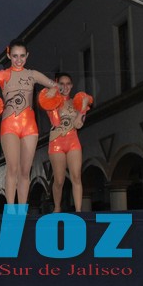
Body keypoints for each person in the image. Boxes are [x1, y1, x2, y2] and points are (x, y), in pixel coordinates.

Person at [0, 38, 59, 205]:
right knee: (12, 168)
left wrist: (53, 90)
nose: (18, 60)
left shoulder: (33, 74)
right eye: (15, 56)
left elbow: (56, 86)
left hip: (30, 127)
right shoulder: (2, 75)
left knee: (25, 171)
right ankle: (11, 209)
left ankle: (21, 209)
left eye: (22, 56)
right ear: (9, 55)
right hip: (9, 125)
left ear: (27, 55)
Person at [46, 72, 93, 212]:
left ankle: (78, 211)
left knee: (76, 177)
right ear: (57, 84)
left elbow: (78, 124)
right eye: (62, 84)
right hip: (56, 142)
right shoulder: (51, 100)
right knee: (59, 180)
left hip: (73, 141)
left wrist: (83, 106)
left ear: (72, 86)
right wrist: (53, 92)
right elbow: (55, 121)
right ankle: (57, 208)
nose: (65, 87)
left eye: (68, 84)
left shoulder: (77, 102)